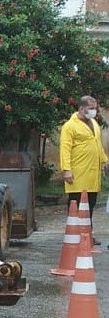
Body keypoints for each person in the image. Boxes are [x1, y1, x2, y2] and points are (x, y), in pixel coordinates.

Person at [60, 95, 108, 243]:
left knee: (89, 207)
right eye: (91, 108)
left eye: (95, 108)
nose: (94, 111)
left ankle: (87, 236)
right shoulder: (70, 126)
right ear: (81, 108)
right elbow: (65, 149)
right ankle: (74, 236)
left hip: (92, 175)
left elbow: (97, 145)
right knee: (76, 206)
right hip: (77, 175)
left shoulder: (94, 123)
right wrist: (66, 170)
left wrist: (105, 161)